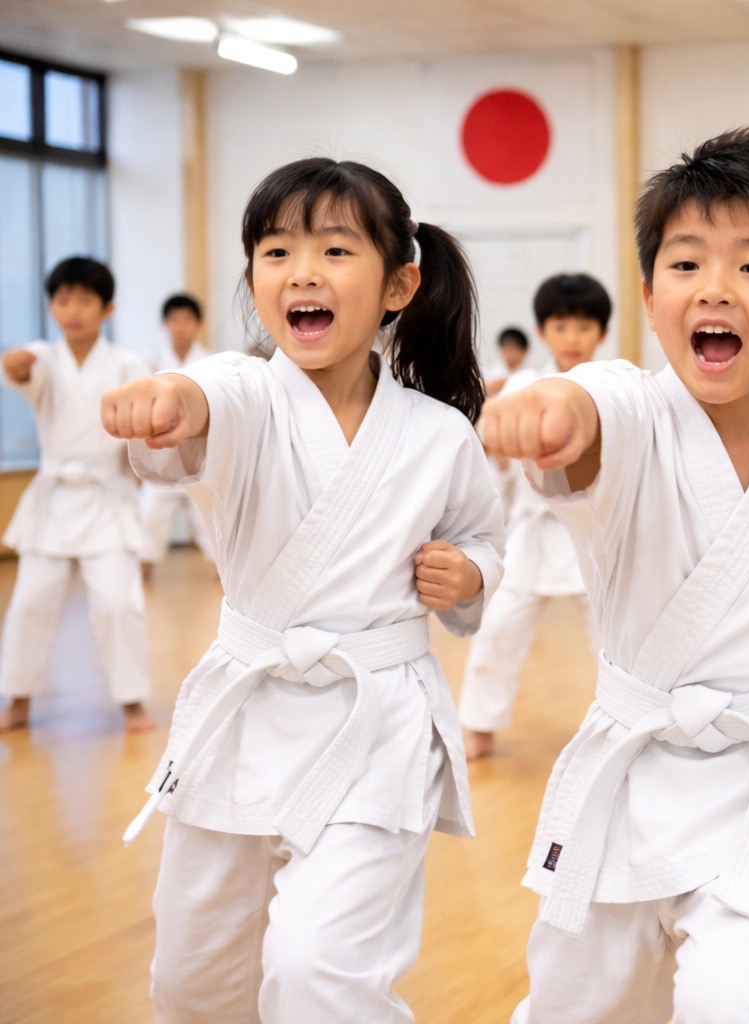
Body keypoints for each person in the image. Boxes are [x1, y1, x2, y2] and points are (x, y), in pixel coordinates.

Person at [481, 122, 749, 1023]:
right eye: (685, 265)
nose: (714, 288)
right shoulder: (630, 413)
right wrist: (551, 407)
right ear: (650, 296)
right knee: (580, 1004)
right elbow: (587, 403)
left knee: (745, 1002)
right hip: (635, 770)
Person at [102, 157, 505, 1022]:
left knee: (322, 974)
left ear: (400, 284)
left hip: (374, 725)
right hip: (243, 716)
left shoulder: (438, 434)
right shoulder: (246, 391)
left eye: (334, 250)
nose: (303, 273)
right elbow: (208, 395)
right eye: (276, 252)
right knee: (193, 980)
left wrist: (468, 570)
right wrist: (169, 398)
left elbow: (482, 537)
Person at [459, 273, 610, 761]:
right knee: (499, 626)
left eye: (585, 327)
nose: (573, 338)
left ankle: (633, 726)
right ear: (543, 332)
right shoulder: (521, 386)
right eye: (562, 327)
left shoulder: (616, 386)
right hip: (531, 532)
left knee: (617, 636)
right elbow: (492, 447)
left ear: (601, 333)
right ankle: (479, 724)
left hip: (598, 536)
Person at [0, 256, 153, 734]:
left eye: (85, 300)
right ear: (51, 306)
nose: (73, 310)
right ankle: (19, 701)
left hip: (106, 498)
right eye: (63, 300)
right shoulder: (43, 358)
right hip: (53, 501)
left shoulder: (129, 365)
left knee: (116, 603)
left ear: (108, 308)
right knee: (29, 603)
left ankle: (132, 703)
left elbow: (144, 428)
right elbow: (19, 369)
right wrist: (16, 363)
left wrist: (141, 468)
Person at [139, 293, 214, 581]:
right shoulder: (149, 362)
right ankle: (143, 569)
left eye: (187, 320)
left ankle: (224, 573)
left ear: (199, 324)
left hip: (200, 456)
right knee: (150, 515)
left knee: (210, 519)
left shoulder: (211, 361)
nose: (181, 326)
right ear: (165, 324)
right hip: (162, 454)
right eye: (174, 320)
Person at [486, 325, 530, 397]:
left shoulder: (531, 376)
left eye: (515, 348)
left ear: (525, 351)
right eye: (508, 348)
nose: (511, 353)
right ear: (501, 349)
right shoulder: (489, 375)